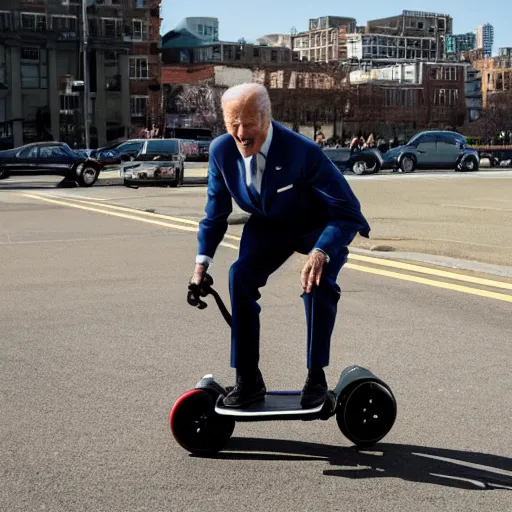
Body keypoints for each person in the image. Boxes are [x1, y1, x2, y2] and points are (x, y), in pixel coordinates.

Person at [190, 83, 370, 409]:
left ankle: (316, 377)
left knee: (317, 284)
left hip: (318, 225)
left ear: (267, 117)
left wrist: (321, 251)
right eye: (232, 123)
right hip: (270, 223)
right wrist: (201, 266)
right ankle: (248, 379)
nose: (241, 133)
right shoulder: (221, 152)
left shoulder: (302, 151)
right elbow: (215, 214)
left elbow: (348, 211)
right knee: (239, 276)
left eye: (248, 123)